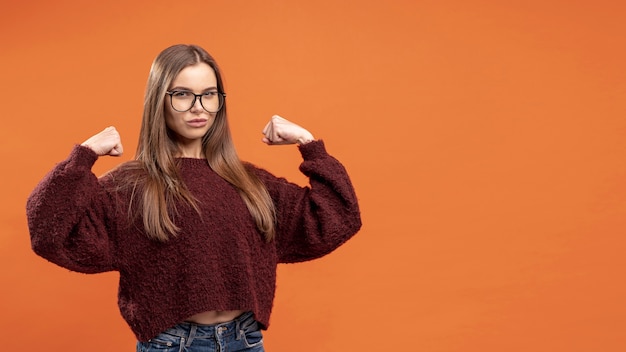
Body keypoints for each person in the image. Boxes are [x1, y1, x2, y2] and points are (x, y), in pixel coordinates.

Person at [26, 44, 361, 351]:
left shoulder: (252, 183)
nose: (198, 107)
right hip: (171, 344)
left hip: (244, 340)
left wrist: (309, 144)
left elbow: (338, 217)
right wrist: (83, 157)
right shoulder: (130, 188)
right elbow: (47, 231)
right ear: (159, 100)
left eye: (209, 94)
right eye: (183, 94)